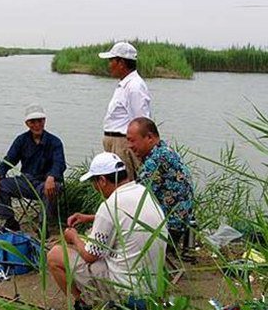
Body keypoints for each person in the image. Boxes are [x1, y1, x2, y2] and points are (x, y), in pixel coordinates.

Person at [47, 152, 166, 308]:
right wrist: (90, 218)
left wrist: (73, 236)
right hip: (153, 286)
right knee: (91, 239)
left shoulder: (110, 205)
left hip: (125, 290)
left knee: (55, 255)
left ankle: (82, 303)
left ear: (102, 180)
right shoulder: (143, 192)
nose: (94, 187)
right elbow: (125, 219)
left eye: (94, 182)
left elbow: (90, 256)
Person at [0, 104, 66, 231]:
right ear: (27, 123)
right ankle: (10, 221)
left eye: (39, 121)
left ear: (44, 121)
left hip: (45, 183)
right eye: (32, 122)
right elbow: (9, 161)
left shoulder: (55, 142)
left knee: (53, 188)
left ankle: (43, 225)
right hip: (26, 182)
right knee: (0, 185)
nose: (36, 125)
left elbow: (60, 164)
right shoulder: (21, 140)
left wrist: (51, 177)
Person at [127, 117, 194, 246]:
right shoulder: (165, 151)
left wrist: (99, 217)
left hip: (169, 229)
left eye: (132, 140)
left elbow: (134, 200)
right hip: (179, 224)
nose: (129, 146)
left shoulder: (156, 160)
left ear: (149, 138)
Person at [99, 42, 151, 181]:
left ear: (121, 62)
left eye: (111, 60)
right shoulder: (125, 84)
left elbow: (141, 122)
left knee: (125, 185)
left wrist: (136, 149)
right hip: (117, 145)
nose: (109, 65)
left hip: (123, 146)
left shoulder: (134, 86)